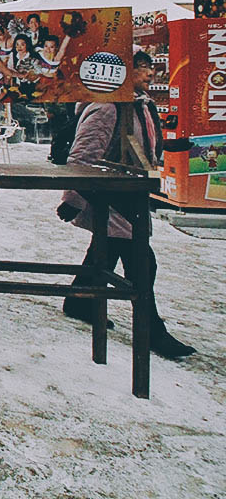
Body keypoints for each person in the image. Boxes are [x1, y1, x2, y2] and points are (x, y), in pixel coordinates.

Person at [56, 50, 196, 360]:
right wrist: (74, 199)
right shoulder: (107, 107)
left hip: (129, 194)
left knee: (104, 256)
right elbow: (82, 158)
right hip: (113, 197)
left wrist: (172, 147)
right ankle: (151, 332)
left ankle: (79, 300)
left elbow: (142, 145)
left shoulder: (140, 105)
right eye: (144, 68)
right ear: (125, 72)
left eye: (151, 69)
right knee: (143, 263)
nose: (150, 75)